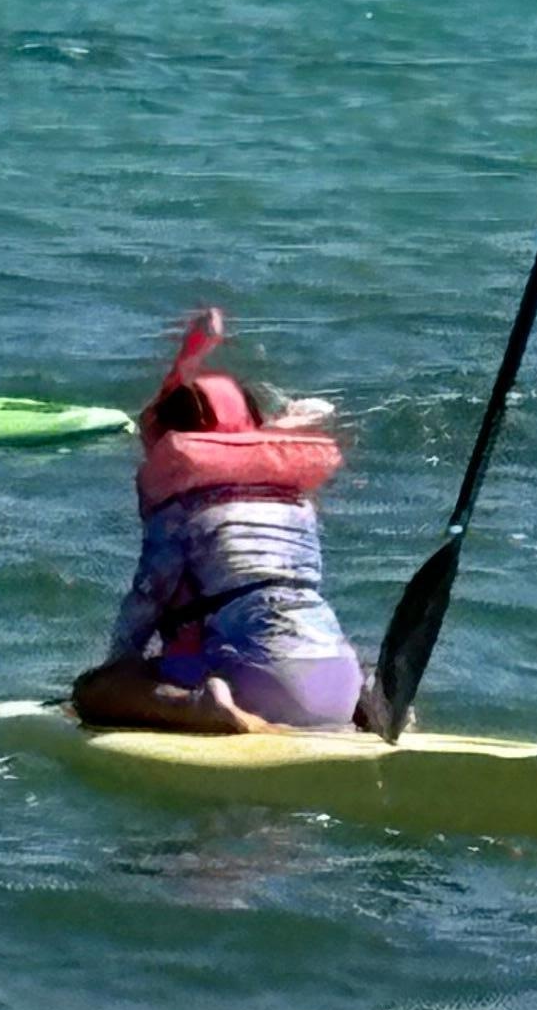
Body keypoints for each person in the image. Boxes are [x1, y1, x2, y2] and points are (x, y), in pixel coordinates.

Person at [71, 311, 368, 738]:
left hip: (259, 679)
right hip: (337, 679)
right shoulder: (295, 503)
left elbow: (145, 605)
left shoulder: (181, 513)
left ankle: (203, 708)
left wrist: (120, 670)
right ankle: (364, 703)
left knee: (95, 691)